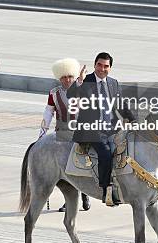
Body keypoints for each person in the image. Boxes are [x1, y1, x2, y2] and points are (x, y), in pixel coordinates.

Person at [67, 52, 135, 206]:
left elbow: (121, 104)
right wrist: (79, 81)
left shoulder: (113, 83)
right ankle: (107, 190)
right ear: (94, 65)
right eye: (99, 65)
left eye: (106, 66)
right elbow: (71, 95)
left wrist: (134, 121)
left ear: (110, 68)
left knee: (121, 152)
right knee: (105, 154)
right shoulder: (86, 80)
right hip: (90, 129)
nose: (102, 69)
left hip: (111, 128)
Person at [39, 58, 91, 213]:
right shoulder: (54, 94)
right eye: (63, 77)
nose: (67, 80)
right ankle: (69, 199)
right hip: (61, 134)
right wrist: (41, 135)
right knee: (62, 169)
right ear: (59, 78)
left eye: (70, 76)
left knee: (80, 164)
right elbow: (48, 113)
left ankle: (84, 194)